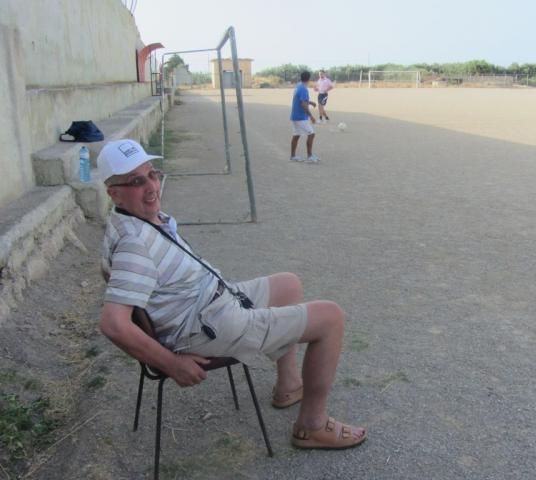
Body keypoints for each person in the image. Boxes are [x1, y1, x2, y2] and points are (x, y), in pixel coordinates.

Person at [97, 139, 366, 450]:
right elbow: (113, 324)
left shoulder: (132, 218)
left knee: (288, 284)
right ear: (113, 192)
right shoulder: (134, 244)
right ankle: (312, 425)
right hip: (207, 326)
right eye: (135, 181)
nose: (151, 187)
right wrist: (171, 363)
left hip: (209, 304)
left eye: (152, 174)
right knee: (331, 318)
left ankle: (289, 385)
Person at [290, 71, 319, 163]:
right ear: (309, 79)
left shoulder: (298, 86)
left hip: (295, 115)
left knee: (296, 135)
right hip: (300, 117)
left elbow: (301, 100)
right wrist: (311, 116)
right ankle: (310, 156)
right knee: (311, 134)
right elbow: (303, 104)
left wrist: (310, 102)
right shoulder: (303, 89)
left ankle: (293, 156)